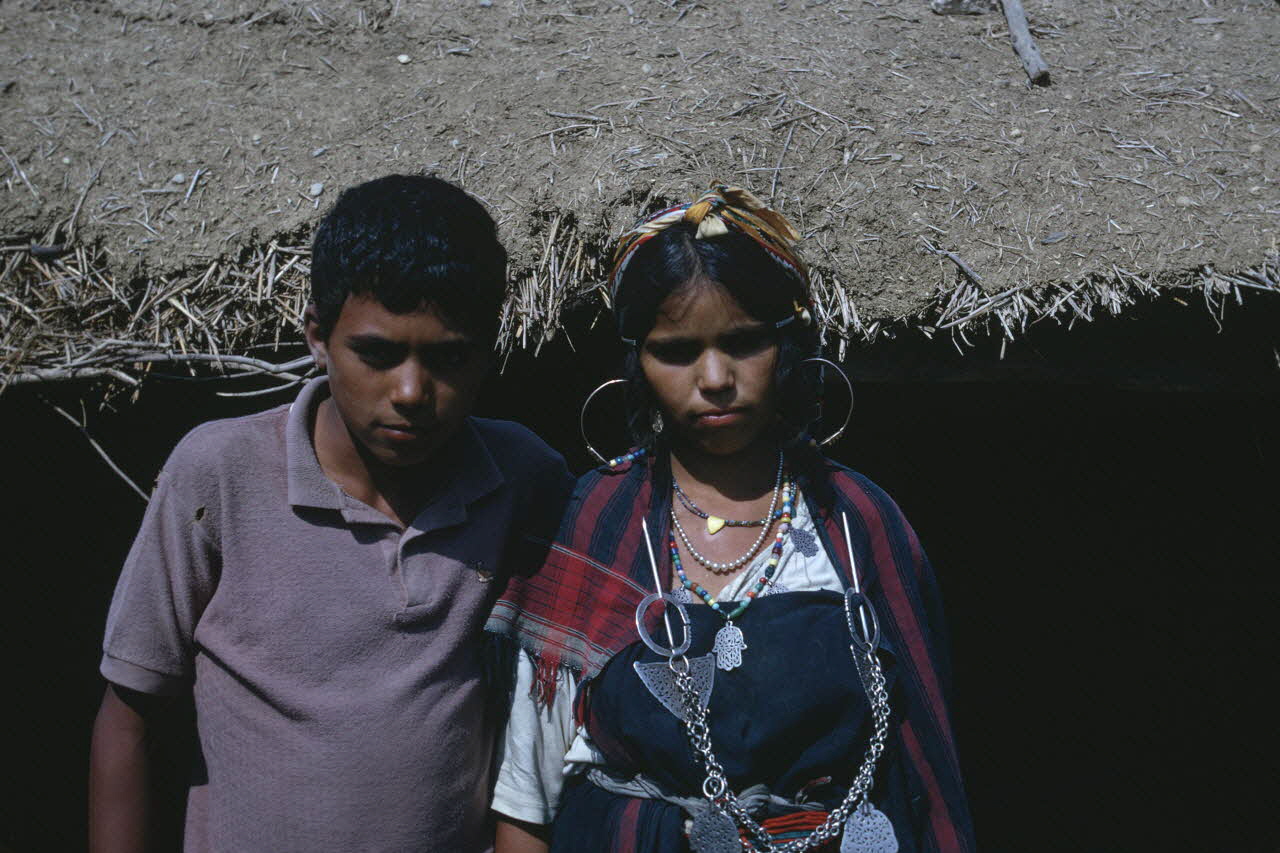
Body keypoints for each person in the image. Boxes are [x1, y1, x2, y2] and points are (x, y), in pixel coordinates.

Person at [88, 174, 572, 853]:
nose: (410, 391)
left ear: (489, 348)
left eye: (447, 357)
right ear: (318, 335)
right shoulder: (220, 476)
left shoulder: (524, 479)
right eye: (376, 353)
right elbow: (129, 714)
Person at [488, 186, 975, 852]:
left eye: (744, 343)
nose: (715, 377)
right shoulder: (593, 526)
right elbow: (525, 799)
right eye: (677, 351)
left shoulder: (856, 524)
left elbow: (928, 773)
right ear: (638, 362)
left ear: (787, 346)